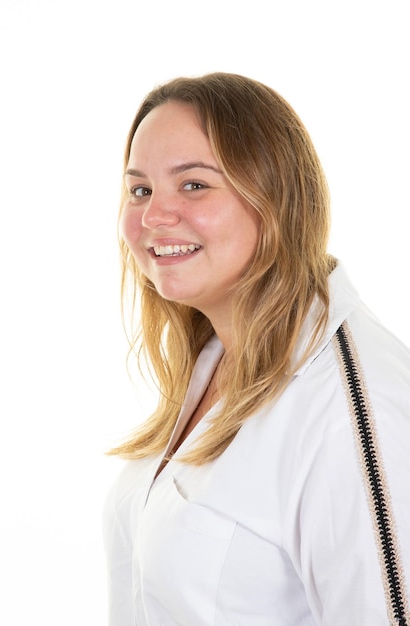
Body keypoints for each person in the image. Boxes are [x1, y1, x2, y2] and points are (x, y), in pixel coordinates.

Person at [103, 72, 410, 625]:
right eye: (140, 189)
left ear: (276, 196)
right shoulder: (215, 360)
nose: (153, 217)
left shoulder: (350, 411)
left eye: (194, 184)